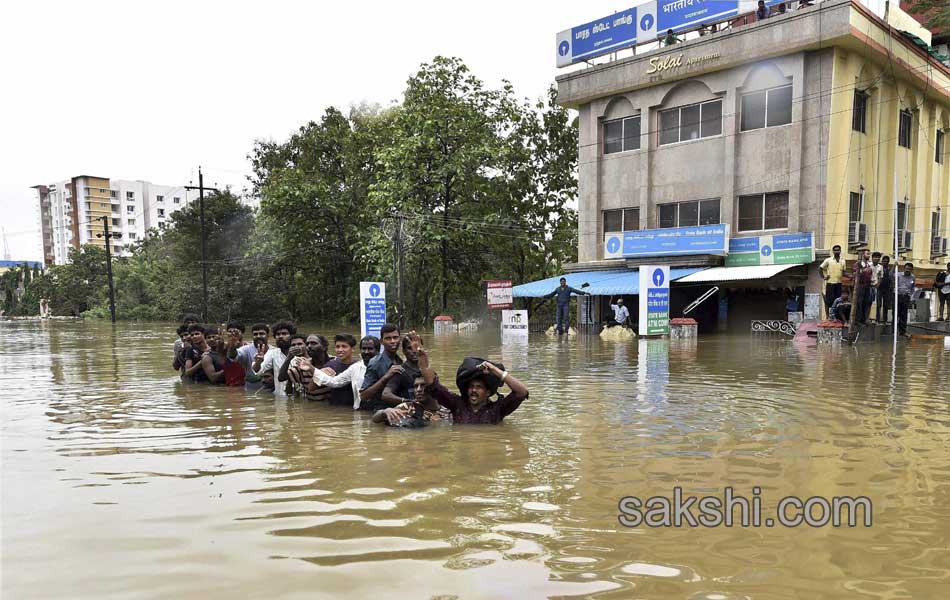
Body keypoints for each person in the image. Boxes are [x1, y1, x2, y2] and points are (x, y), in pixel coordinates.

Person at [418, 348, 528, 425]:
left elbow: (522, 392)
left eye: (479, 387)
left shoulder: (497, 409)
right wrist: (424, 365)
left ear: (488, 392)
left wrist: (494, 369)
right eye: (471, 386)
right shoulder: (457, 405)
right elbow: (434, 386)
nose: (473, 390)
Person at [312, 335, 380, 409]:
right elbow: (334, 382)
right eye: (363, 349)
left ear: (378, 351)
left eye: (370, 349)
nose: (366, 352)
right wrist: (312, 369)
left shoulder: (385, 366)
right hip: (359, 411)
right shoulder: (355, 367)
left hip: (380, 410)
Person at [372, 375, 451, 427]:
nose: (418, 390)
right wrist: (384, 411)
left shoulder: (449, 412)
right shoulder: (407, 407)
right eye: (416, 386)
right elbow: (375, 420)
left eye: (423, 385)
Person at [359, 324, 405, 412]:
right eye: (388, 338)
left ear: (400, 339)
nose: (392, 341)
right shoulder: (375, 363)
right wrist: (386, 377)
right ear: (381, 341)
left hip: (395, 409)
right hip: (376, 412)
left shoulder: (399, 361)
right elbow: (363, 395)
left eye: (395, 337)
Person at [253, 320, 295, 394]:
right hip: (280, 397)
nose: (280, 336)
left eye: (284, 334)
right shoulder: (273, 353)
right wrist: (258, 363)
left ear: (292, 336)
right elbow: (258, 371)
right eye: (278, 334)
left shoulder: (299, 351)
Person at [381, 335, 424, 407]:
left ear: (422, 349)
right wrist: (407, 401)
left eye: (416, 347)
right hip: (408, 411)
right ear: (404, 351)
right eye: (410, 348)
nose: (414, 351)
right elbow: (386, 395)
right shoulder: (400, 371)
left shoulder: (427, 371)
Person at [819, 245, 847, 319]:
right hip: (830, 284)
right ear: (833, 251)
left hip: (839, 284)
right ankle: (828, 317)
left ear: (840, 251)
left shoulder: (843, 261)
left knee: (837, 301)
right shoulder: (828, 260)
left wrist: (850, 276)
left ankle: (836, 317)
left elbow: (844, 273)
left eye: (838, 250)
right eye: (835, 250)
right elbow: (820, 268)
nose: (837, 251)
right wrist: (824, 277)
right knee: (828, 301)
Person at [852, 249, 873, 324]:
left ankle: (863, 319)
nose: (869, 255)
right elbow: (855, 273)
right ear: (863, 255)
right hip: (859, 286)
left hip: (867, 286)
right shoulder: (858, 264)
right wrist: (863, 270)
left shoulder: (869, 264)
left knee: (865, 303)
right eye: (867, 254)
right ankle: (857, 319)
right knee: (859, 303)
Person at [896, 262, 917, 337]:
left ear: (911, 270)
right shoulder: (898, 275)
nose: (908, 270)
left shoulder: (912, 277)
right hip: (898, 296)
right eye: (906, 268)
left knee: (903, 315)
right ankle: (894, 331)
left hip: (906, 297)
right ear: (904, 268)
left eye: (909, 269)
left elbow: (913, 288)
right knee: (896, 314)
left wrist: (911, 297)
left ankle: (903, 331)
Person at [876, 255, 893, 324]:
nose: (885, 262)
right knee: (878, 304)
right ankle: (877, 319)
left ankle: (885, 320)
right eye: (884, 261)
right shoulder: (879, 268)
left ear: (888, 262)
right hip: (879, 288)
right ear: (882, 261)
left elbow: (891, 278)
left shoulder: (889, 270)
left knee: (886, 305)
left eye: (886, 261)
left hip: (887, 289)